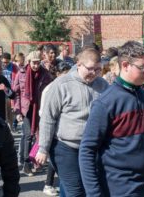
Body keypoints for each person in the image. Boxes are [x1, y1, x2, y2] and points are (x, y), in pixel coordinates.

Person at [78, 41, 144, 197]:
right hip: (119, 188)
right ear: (125, 65)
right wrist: (94, 194)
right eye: (143, 67)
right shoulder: (106, 102)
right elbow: (87, 150)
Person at [36, 48, 109, 196]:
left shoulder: (103, 85)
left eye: (98, 69)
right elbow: (48, 118)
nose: (94, 73)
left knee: (92, 189)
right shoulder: (61, 85)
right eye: (90, 69)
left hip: (92, 148)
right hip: (65, 147)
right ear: (79, 64)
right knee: (75, 191)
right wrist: (43, 148)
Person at [13, 51, 52, 176]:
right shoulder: (21, 73)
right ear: (28, 62)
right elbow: (16, 93)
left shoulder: (45, 74)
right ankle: (26, 163)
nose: (36, 65)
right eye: (33, 63)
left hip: (41, 108)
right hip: (27, 108)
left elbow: (50, 90)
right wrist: (17, 111)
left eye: (38, 62)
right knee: (28, 135)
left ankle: (36, 160)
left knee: (40, 136)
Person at [39, 61, 72, 196]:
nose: (67, 76)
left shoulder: (70, 87)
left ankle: (51, 184)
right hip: (54, 131)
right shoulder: (50, 89)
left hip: (65, 132)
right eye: (64, 74)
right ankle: (48, 184)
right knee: (57, 163)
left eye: (68, 73)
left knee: (64, 171)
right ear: (57, 74)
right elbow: (44, 113)